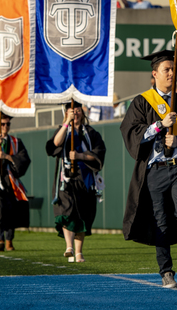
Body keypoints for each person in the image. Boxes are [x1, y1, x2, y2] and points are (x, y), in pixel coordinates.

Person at [120, 49, 177, 289]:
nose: (171, 73)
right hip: (155, 169)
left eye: (173, 69)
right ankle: (166, 271)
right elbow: (131, 134)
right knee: (160, 219)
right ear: (154, 74)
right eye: (166, 70)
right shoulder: (141, 102)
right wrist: (160, 125)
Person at [46, 102, 106, 263]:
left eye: (78, 110)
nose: (76, 113)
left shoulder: (91, 133)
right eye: (72, 110)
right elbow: (54, 145)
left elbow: (99, 155)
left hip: (85, 180)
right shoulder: (63, 131)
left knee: (82, 215)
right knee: (67, 211)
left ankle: (79, 252)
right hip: (66, 180)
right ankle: (69, 246)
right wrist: (66, 123)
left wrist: (80, 156)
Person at [0, 115, 31, 251]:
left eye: (8, 124)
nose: (5, 127)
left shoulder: (16, 142)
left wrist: (8, 157)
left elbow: (24, 160)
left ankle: (9, 240)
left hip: (10, 181)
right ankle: (0, 239)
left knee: (10, 210)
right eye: (2, 124)